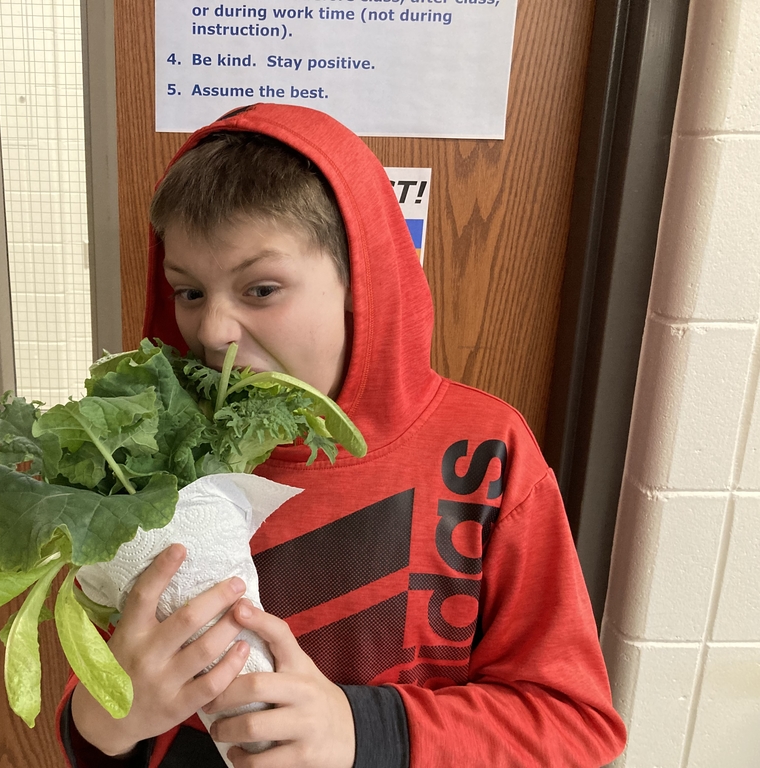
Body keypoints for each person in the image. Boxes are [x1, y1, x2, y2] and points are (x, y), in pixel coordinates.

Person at [55, 103, 627, 767]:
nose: (213, 332)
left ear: (362, 278)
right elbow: (107, 694)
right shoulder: (146, 463)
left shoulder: (483, 449)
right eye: (189, 292)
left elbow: (573, 725)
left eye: (261, 288)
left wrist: (364, 731)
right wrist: (102, 722)